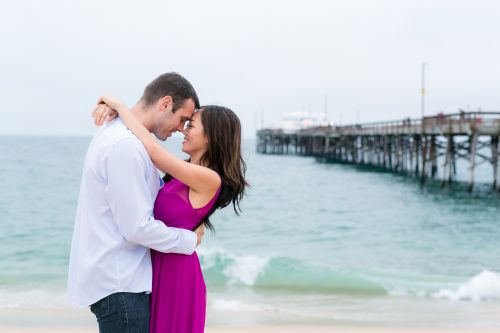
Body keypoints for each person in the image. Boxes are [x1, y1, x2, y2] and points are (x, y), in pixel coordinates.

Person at [92, 93, 247, 333]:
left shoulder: (209, 178)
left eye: (191, 125)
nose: (183, 130)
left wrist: (122, 108)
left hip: (177, 276)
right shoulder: (181, 174)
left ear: (212, 136)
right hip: (157, 267)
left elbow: (152, 150)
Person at [67, 73, 206, 333]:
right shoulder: (126, 146)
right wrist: (189, 240)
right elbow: (137, 228)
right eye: (182, 120)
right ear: (165, 103)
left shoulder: (119, 134)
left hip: (119, 282)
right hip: (121, 284)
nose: (180, 129)